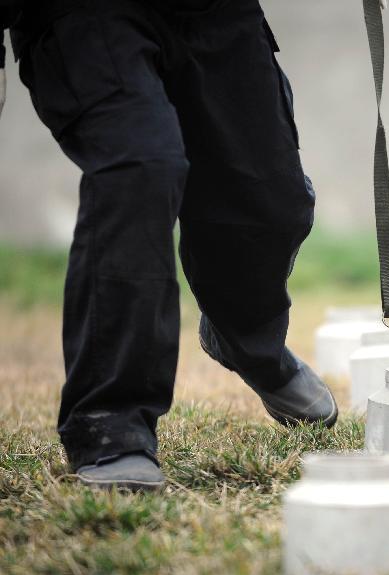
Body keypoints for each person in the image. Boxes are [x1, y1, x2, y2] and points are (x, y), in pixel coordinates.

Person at [0, 0, 338, 491]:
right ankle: (110, 423)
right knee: (140, 168)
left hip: (216, 11)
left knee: (272, 199)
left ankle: (246, 337)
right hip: (81, 14)